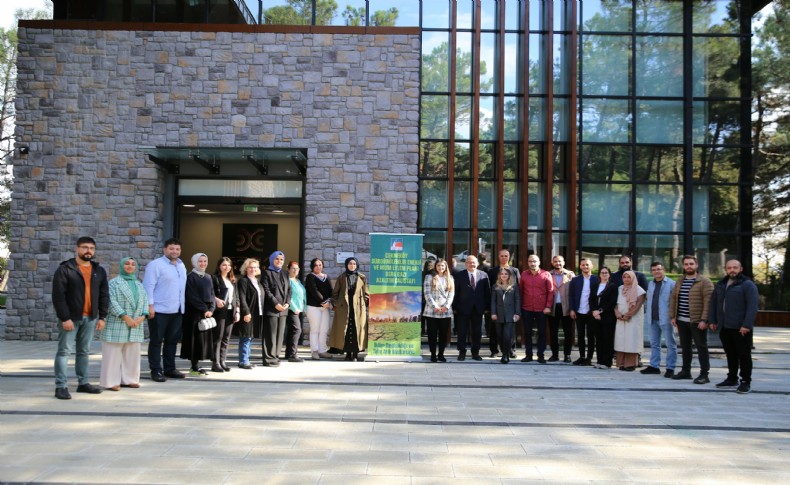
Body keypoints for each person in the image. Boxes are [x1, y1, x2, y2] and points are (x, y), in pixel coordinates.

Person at [51, 237, 109, 399]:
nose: (88, 251)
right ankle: (61, 386)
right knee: (64, 351)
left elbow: (104, 295)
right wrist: (65, 318)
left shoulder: (99, 271)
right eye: (85, 247)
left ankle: (83, 383)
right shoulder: (65, 269)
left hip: (90, 318)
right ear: (77, 249)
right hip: (70, 318)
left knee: (83, 352)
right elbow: (58, 296)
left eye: (91, 248)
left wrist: (102, 317)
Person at [708, 259, 759, 394]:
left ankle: (745, 381)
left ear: (741, 268)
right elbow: (714, 303)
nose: (732, 270)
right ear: (726, 269)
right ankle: (731, 378)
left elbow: (752, 307)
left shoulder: (747, 285)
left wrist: (746, 325)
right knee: (730, 354)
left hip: (741, 328)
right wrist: (712, 320)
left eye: (735, 267)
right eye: (729, 268)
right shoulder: (721, 284)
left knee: (744, 355)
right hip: (725, 327)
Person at [99, 257, 148, 391]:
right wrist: (125, 317)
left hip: (136, 324)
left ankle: (130, 379)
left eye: (133, 264)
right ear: (121, 266)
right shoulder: (114, 283)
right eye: (126, 264)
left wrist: (143, 316)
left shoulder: (139, 284)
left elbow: (144, 300)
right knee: (112, 354)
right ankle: (110, 382)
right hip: (117, 322)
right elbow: (111, 302)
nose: (130, 266)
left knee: (132, 354)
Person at [143, 238, 187, 382]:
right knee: (156, 341)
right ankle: (156, 370)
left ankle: (170, 368)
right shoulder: (155, 265)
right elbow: (148, 286)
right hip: (159, 311)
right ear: (164, 250)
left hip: (177, 311)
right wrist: (150, 307)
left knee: (172, 342)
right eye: (171, 249)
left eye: (177, 249)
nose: (175, 251)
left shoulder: (181, 266)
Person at [669, 255, 714, 384]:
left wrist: (704, 320)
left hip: (697, 321)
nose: (689, 266)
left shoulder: (705, 282)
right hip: (681, 320)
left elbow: (709, 302)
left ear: (696, 265)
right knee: (685, 347)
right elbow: (673, 298)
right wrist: (673, 316)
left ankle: (704, 374)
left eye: (691, 264)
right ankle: (686, 371)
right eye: (686, 264)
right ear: (683, 266)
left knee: (701, 347)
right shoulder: (680, 281)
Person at [641, 262, 677, 378]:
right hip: (653, 318)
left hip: (666, 318)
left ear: (664, 270)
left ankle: (670, 368)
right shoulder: (650, 284)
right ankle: (654, 366)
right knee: (654, 344)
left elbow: (675, 302)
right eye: (654, 270)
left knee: (670, 344)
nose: (657, 271)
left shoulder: (672, 284)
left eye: (659, 269)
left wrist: (674, 317)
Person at [181, 253, 216, 376]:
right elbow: (191, 296)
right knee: (194, 339)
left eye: (205, 261)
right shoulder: (190, 277)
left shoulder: (208, 277)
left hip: (206, 313)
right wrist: (204, 309)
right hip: (194, 313)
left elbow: (212, 294)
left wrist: (211, 308)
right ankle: (193, 366)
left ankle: (197, 365)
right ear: (195, 262)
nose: (203, 264)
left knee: (202, 340)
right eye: (200, 261)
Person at [329, 257, 370, 361]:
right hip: (344, 308)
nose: (352, 265)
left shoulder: (362, 278)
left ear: (357, 265)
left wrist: (364, 303)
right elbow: (335, 293)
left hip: (358, 308)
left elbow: (366, 293)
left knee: (357, 330)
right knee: (346, 331)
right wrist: (336, 304)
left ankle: (355, 354)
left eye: (354, 264)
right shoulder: (341, 278)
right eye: (350, 263)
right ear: (346, 265)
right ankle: (347, 354)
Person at [452, 255, 491, 361]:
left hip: (478, 308)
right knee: (462, 331)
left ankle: (475, 352)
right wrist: (454, 307)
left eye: (474, 262)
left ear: (477, 264)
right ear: (465, 264)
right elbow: (456, 292)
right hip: (463, 308)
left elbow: (487, 292)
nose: (472, 264)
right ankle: (462, 352)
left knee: (477, 332)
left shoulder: (484, 275)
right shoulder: (460, 275)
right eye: (469, 262)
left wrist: (487, 307)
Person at [519, 255, 554, 364]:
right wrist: (519, 307)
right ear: (528, 263)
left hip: (542, 309)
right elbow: (521, 292)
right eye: (530, 261)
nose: (532, 263)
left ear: (539, 262)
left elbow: (551, 292)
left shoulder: (546, 274)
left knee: (542, 333)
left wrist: (548, 306)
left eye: (534, 261)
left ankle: (541, 355)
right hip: (526, 308)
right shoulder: (524, 274)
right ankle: (528, 355)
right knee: (527, 332)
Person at [488, 249, 521, 359]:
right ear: (498, 257)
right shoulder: (492, 271)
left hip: (510, 310)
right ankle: (495, 350)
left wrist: (517, 311)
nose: (504, 258)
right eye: (501, 256)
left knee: (510, 333)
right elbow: (491, 291)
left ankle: (510, 350)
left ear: (509, 257)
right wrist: (492, 310)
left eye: (506, 256)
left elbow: (518, 294)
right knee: (497, 332)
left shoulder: (515, 271)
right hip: (497, 308)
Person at [261, 251, 291, 367]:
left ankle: (276, 356)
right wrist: (275, 303)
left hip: (283, 309)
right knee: (270, 335)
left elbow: (289, 290)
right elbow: (266, 290)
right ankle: (268, 358)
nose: (279, 261)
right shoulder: (267, 273)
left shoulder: (285, 273)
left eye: (281, 259)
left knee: (280, 335)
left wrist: (287, 303)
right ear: (272, 260)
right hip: (272, 309)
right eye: (277, 259)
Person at [423, 258, 455, 362]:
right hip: (432, 310)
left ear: (445, 267)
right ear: (435, 267)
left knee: (443, 334)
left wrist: (447, 306)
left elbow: (451, 294)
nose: (440, 268)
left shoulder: (450, 278)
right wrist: (434, 306)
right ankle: (433, 354)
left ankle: (441, 354)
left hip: (445, 311)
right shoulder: (429, 277)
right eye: (438, 266)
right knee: (432, 334)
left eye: (442, 266)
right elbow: (427, 293)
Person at [614, 271, 646, 371]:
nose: (627, 279)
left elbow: (637, 306)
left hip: (633, 319)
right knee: (621, 341)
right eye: (625, 277)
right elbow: (614, 303)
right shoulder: (619, 288)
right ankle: (621, 363)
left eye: (629, 277)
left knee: (631, 341)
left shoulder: (639, 290)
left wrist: (628, 315)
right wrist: (618, 314)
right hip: (620, 319)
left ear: (633, 278)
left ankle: (631, 364)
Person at [569, 258, 599, 366]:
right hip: (579, 311)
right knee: (580, 335)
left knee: (591, 335)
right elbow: (571, 295)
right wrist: (572, 309)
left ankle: (589, 357)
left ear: (591, 266)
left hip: (591, 312)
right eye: (583, 265)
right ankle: (581, 356)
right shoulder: (575, 280)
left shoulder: (596, 279)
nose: (585, 267)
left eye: (587, 265)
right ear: (580, 266)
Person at [211, 257, 239, 373]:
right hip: (220, 311)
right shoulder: (214, 278)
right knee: (218, 337)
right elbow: (209, 293)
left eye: (229, 265)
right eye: (224, 265)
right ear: (219, 266)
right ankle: (215, 362)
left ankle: (223, 361)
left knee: (226, 338)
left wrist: (237, 311)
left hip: (230, 311)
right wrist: (216, 299)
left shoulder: (232, 280)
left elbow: (236, 297)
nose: (226, 267)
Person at [305, 258, 333, 360]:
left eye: (320, 265)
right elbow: (314, 291)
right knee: (315, 329)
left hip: (325, 308)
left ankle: (322, 350)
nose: (318, 267)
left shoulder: (326, 277)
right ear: (312, 266)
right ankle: (315, 351)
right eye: (316, 265)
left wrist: (329, 301)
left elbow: (331, 291)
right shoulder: (310, 277)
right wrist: (324, 302)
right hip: (313, 307)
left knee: (324, 329)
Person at [236, 258, 262, 369]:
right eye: (250, 267)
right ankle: (243, 361)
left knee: (250, 337)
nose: (253, 269)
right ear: (246, 269)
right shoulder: (243, 281)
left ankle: (246, 359)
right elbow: (242, 298)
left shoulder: (257, 281)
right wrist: (246, 312)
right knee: (245, 337)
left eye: (255, 267)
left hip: (256, 313)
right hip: (248, 313)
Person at [590, 266, 618, 369]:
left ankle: (607, 362)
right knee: (599, 339)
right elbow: (591, 300)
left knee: (607, 340)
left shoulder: (613, 287)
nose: (604, 274)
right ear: (599, 275)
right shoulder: (595, 286)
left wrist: (600, 311)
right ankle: (599, 360)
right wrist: (594, 311)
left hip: (607, 317)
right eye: (602, 272)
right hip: (595, 317)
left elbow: (612, 302)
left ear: (609, 274)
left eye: (606, 272)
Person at [550, 255, 576, 363]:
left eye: (560, 261)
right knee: (553, 332)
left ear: (563, 262)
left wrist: (573, 308)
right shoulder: (548, 274)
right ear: (552, 263)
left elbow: (574, 292)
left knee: (568, 332)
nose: (558, 263)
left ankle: (567, 355)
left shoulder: (570, 275)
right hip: (553, 307)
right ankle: (555, 355)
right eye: (555, 261)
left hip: (566, 307)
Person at [285, 261, 305, 363]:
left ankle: (289, 353)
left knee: (292, 331)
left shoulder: (298, 281)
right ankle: (293, 354)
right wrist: (294, 307)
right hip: (291, 309)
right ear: (288, 269)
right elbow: (288, 296)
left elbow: (302, 295)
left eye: (297, 268)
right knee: (297, 330)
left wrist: (302, 307)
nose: (295, 270)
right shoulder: (288, 280)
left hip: (298, 309)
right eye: (293, 268)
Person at [421, 259, 436, 336]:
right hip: (430, 299)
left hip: (423, 299)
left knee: (423, 317)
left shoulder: (422, 274)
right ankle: (429, 331)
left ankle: (423, 330)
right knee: (430, 318)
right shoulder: (434, 275)